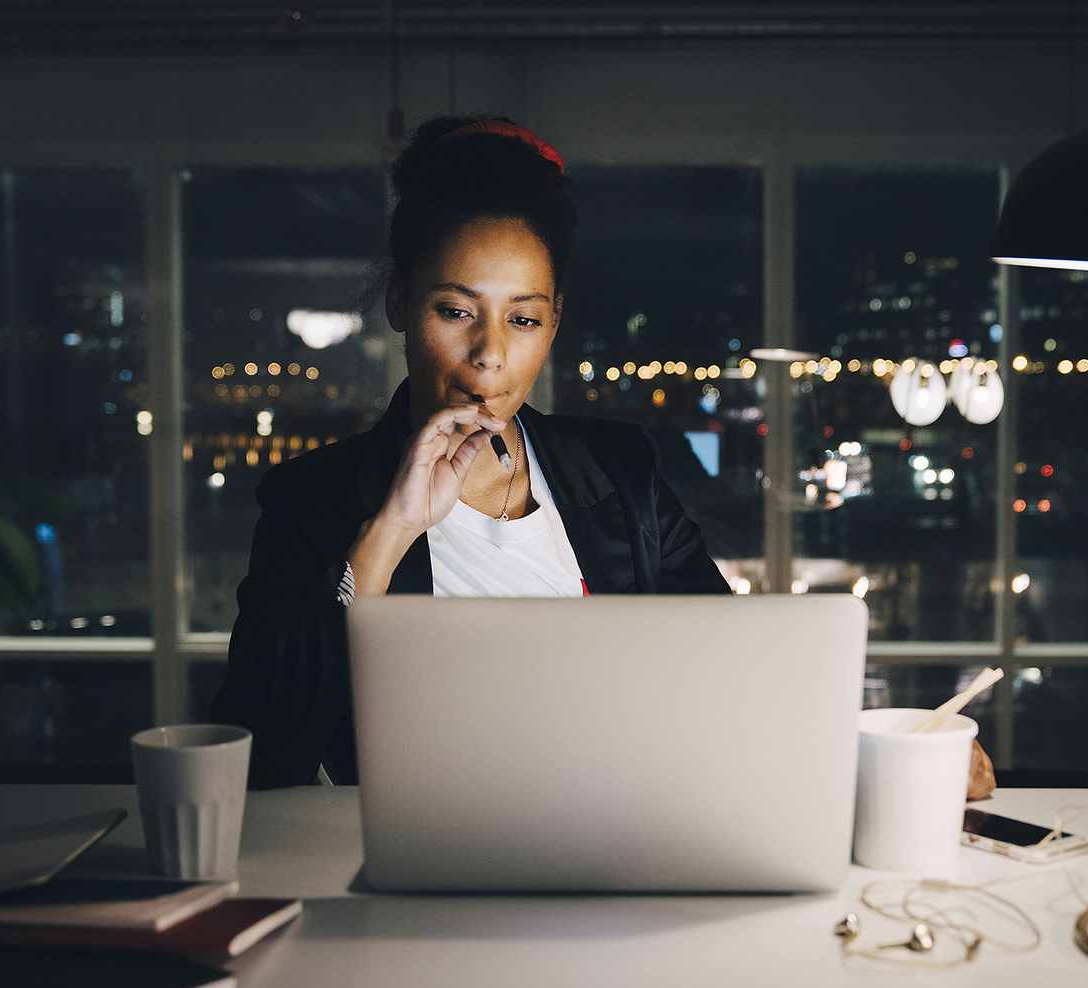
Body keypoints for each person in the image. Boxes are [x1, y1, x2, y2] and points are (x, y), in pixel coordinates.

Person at [211, 114, 995, 799]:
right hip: (425, 865)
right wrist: (387, 533)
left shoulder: (616, 470)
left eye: (522, 319)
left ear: (552, 325)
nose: (488, 356)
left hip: (619, 836)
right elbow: (259, 754)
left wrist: (882, 750)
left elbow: (731, 659)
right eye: (456, 311)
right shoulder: (312, 498)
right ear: (398, 306)